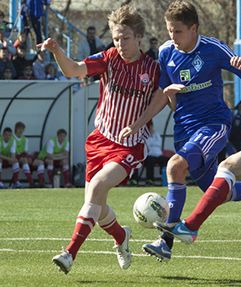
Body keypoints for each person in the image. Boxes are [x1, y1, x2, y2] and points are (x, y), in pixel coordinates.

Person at [119, 0, 241, 262]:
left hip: (214, 124)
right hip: (184, 128)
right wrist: (139, 123)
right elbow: (163, 94)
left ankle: (166, 241)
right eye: (169, 31)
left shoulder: (213, 49)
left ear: (194, 28)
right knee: (215, 189)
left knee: (175, 167)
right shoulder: (165, 52)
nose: (173, 37)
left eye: (178, 31)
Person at [39, 4, 160, 274]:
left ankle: (69, 254)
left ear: (138, 36)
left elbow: (164, 97)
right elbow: (72, 70)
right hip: (99, 141)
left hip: (130, 145)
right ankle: (121, 237)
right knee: (97, 205)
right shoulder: (107, 58)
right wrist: (57, 50)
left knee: (95, 191)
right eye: (116, 38)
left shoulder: (153, 69)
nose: (120, 43)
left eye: (125, 38)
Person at [144, 121, 169, 185]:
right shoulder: (145, 135)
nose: (150, 128)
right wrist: (152, 141)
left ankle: (166, 178)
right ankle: (150, 180)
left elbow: (159, 144)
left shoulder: (156, 134)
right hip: (149, 155)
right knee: (150, 161)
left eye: (151, 126)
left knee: (167, 160)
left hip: (158, 155)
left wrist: (152, 141)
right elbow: (147, 145)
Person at [14, 121, 34, 187]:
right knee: (24, 160)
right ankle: (31, 182)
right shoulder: (12, 138)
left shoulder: (25, 139)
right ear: (16, 129)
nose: (21, 130)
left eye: (22, 129)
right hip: (12, 156)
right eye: (19, 128)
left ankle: (33, 182)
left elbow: (25, 151)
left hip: (21, 156)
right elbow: (12, 151)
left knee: (29, 160)